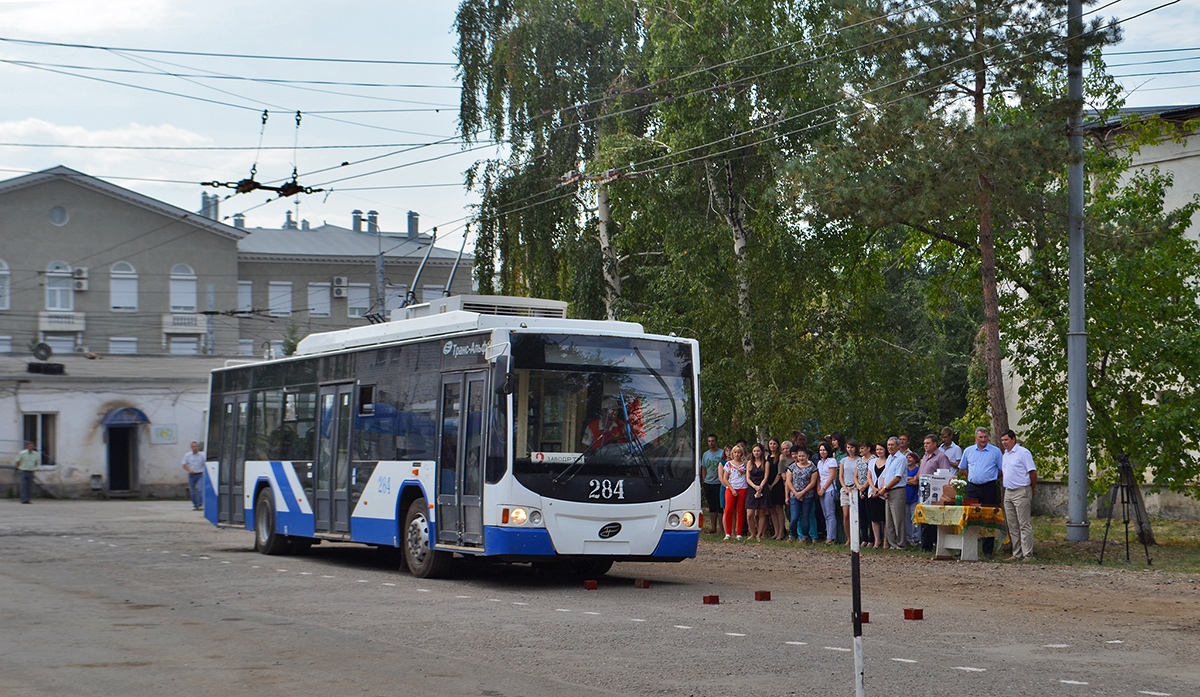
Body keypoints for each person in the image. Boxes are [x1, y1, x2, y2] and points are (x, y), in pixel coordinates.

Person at [959, 427, 1003, 557]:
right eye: (980, 437)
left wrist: (990, 477)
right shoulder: (968, 451)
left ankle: (987, 550)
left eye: (985, 437)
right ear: (976, 438)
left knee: (988, 517)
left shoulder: (996, 451)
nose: (983, 440)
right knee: (968, 516)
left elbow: (1001, 470)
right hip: (972, 487)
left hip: (989, 487)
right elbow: (962, 468)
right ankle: (965, 547)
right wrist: (973, 476)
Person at [999, 430, 1038, 561]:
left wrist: (1032, 488)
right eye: (1002, 440)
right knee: (1012, 524)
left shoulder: (1023, 453)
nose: (1004, 443)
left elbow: (1032, 472)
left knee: (1023, 523)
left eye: (1006, 440)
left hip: (1021, 490)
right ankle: (1017, 553)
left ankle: (1028, 554)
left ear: (1013, 439)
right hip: (1008, 491)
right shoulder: (1005, 455)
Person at [918, 434, 953, 551]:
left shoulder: (941, 457)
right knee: (925, 519)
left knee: (934, 519)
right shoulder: (925, 456)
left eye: (928, 443)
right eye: (924, 444)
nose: (925, 446)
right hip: (924, 492)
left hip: (936, 492)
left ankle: (936, 544)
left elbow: (945, 475)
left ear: (935, 444)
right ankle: (925, 546)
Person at [785, 446, 819, 542]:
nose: (801, 458)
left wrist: (802, 492)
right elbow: (789, 481)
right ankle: (791, 535)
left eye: (803, 456)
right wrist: (795, 493)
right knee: (794, 517)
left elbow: (812, 482)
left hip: (807, 495)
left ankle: (805, 536)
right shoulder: (792, 467)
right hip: (794, 496)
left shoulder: (813, 468)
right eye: (799, 456)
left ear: (807, 456)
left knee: (805, 516)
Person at [882, 437, 907, 550]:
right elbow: (885, 475)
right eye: (888, 445)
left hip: (897, 490)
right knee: (889, 520)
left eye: (892, 445)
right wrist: (884, 489)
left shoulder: (901, 459)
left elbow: (897, 477)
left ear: (898, 446)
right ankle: (893, 544)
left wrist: (885, 488)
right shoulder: (889, 459)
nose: (890, 447)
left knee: (898, 519)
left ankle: (901, 544)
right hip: (888, 491)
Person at [720, 444, 749, 540]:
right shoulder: (728, 464)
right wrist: (731, 489)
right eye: (735, 452)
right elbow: (725, 478)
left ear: (741, 454)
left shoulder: (745, 464)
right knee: (728, 510)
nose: (737, 454)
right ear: (732, 454)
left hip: (742, 488)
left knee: (740, 511)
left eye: (739, 452)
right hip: (731, 488)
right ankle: (728, 533)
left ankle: (739, 533)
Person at [745, 443, 772, 541]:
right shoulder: (749, 463)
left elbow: (766, 476)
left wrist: (760, 486)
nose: (756, 453)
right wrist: (755, 487)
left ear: (761, 452)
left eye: (758, 451)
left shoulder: (766, 463)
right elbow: (747, 478)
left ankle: (759, 534)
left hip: (763, 488)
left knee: (761, 513)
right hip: (752, 488)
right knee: (749, 514)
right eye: (755, 451)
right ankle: (752, 533)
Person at [838, 441, 863, 545]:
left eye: (852, 447)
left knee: (856, 515)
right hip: (845, 488)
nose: (850, 449)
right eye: (848, 447)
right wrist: (845, 488)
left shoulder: (859, 460)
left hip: (856, 487)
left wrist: (854, 487)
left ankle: (857, 536)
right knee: (846, 515)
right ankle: (849, 537)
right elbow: (840, 476)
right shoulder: (843, 460)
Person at [815, 441, 840, 544]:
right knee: (825, 514)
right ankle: (828, 533)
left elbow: (832, 476)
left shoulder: (832, 461)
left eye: (824, 450)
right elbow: (818, 477)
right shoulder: (820, 462)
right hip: (821, 490)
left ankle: (831, 537)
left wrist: (824, 489)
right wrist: (818, 489)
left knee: (830, 513)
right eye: (820, 450)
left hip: (829, 490)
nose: (822, 452)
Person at [866, 443, 889, 548]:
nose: (879, 451)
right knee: (874, 518)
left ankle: (885, 541)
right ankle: (877, 540)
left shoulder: (889, 461)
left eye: (881, 449)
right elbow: (869, 477)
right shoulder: (872, 462)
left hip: (884, 492)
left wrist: (881, 490)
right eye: (877, 449)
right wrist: (874, 489)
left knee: (885, 518)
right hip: (872, 492)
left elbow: (887, 476)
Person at [769, 440, 791, 540]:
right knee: (772, 509)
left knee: (778, 509)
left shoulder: (781, 456)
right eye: (770, 444)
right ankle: (776, 531)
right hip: (769, 484)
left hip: (777, 485)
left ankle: (781, 532)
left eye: (774, 443)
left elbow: (780, 472)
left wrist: (773, 484)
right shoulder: (767, 457)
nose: (772, 446)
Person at [701, 435, 724, 534]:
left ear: (716, 442)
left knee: (720, 506)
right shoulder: (705, 454)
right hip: (708, 483)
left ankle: (722, 528)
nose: (711, 443)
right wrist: (704, 479)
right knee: (712, 506)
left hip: (719, 482)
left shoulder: (721, 453)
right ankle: (713, 528)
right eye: (709, 441)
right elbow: (703, 468)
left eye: (713, 441)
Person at [904, 451, 922, 548]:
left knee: (914, 517)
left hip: (914, 496)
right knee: (906, 518)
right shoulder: (904, 469)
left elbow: (916, 482)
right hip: (905, 496)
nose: (908, 459)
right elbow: (901, 479)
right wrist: (910, 479)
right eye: (907, 458)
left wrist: (907, 480)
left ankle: (916, 538)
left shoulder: (918, 469)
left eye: (910, 457)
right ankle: (908, 538)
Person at [182, 441, 206, 511]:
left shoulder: (202, 455)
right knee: (192, 491)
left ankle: (200, 504)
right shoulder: (188, 455)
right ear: (191, 447)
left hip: (200, 473)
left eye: (196, 446)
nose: (195, 448)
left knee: (200, 489)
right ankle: (195, 505)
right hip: (192, 474)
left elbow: (205, 463)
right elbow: (184, 464)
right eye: (194, 446)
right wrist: (189, 470)